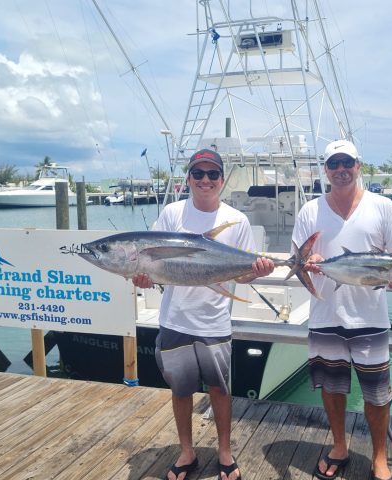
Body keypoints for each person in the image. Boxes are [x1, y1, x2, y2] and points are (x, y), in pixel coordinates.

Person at [132, 149, 274, 480]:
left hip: (214, 322)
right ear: (189, 179)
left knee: (220, 390)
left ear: (222, 180)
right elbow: (153, 265)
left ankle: (225, 453)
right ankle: (187, 452)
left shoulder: (237, 220)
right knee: (180, 390)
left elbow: (241, 273)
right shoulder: (171, 213)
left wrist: (258, 270)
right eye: (199, 174)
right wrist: (143, 276)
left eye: (212, 174)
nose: (205, 180)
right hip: (175, 320)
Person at [292, 139, 392, 480]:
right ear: (326, 170)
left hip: (370, 317)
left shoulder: (383, 207)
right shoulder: (309, 211)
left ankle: (380, 457)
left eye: (347, 163)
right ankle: (340, 445)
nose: (341, 170)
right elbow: (300, 258)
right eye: (334, 164)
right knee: (331, 388)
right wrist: (311, 262)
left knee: (377, 393)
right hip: (326, 314)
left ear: (359, 165)